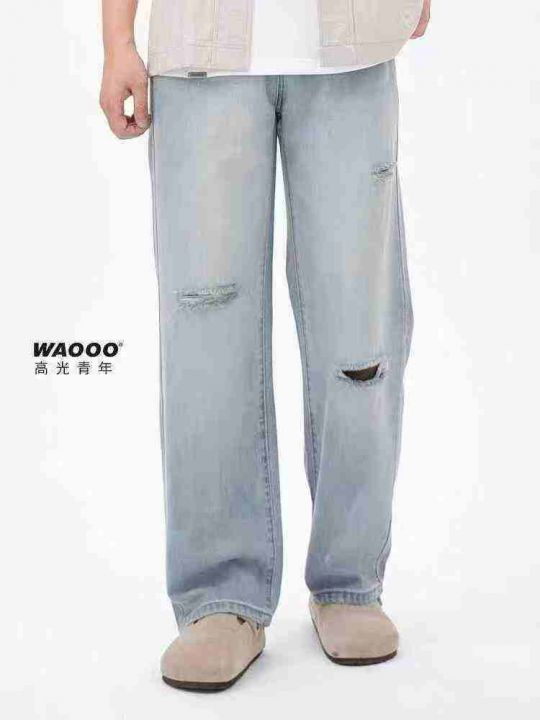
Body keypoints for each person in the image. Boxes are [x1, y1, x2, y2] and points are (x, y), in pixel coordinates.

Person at [100, 0, 431, 692]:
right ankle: (220, 596)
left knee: (359, 331)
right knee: (205, 337)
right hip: (201, 54)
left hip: (355, 47)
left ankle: (349, 582)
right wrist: (117, 40)